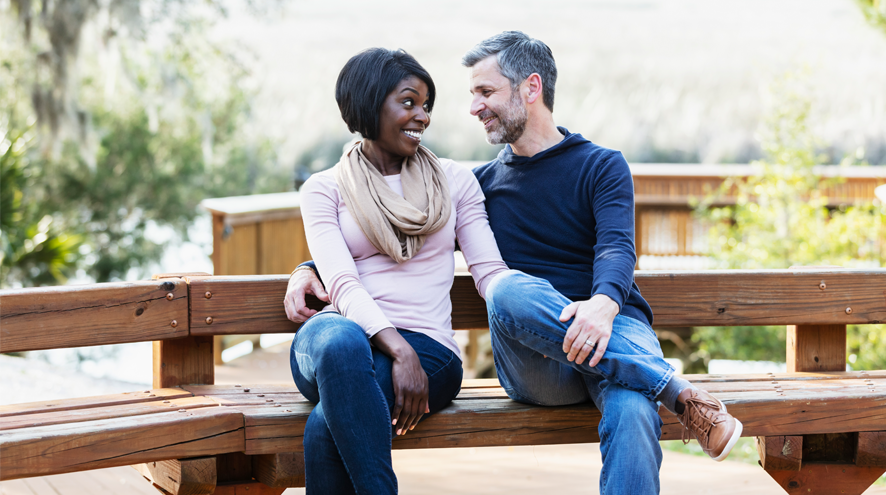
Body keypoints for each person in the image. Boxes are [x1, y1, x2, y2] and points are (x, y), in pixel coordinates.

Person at [288, 33, 742, 495]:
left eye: (485, 93)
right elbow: (389, 226)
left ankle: (674, 397)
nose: (473, 108)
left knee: (634, 409)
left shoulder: (601, 166)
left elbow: (617, 250)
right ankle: (676, 389)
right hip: (537, 360)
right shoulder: (478, 184)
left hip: (614, 330)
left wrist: (603, 305)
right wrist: (309, 268)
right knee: (507, 289)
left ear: (530, 88)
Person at [283, 48, 508, 495]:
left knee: (326, 424)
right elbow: (343, 284)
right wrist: (397, 351)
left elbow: (490, 273)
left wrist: (551, 308)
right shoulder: (323, 189)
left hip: (430, 352)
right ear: (368, 104)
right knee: (344, 341)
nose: (422, 117)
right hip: (337, 343)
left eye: (426, 105)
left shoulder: (455, 181)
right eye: (409, 102)